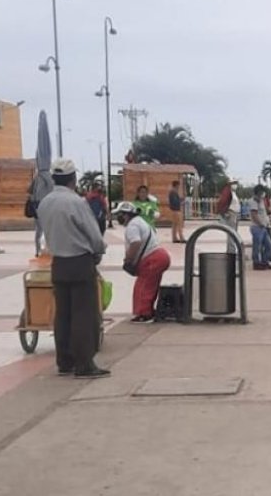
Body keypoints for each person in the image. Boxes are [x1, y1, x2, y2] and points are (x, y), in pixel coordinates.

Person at [36, 159, 109, 378]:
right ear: (73, 179)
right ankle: (84, 363)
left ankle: (64, 361)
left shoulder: (45, 203)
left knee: (63, 314)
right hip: (80, 261)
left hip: (58, 263)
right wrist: (99, 250)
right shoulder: (76, 202)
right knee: (83, 314)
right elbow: (94, 235)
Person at [114, 201, 171, 323]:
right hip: (160, 256)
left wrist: (128, 259)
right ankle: (148, 311)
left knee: (143, 286)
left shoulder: (132, 226)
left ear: (126, 215)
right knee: (150, 285)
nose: (118, 217)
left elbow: (136, 242)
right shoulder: (140, 221)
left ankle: (144, 314)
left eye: (119, 214)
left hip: (152, 259)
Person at [244, 185, 271, 270]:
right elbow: (254, 214)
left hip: (263, 226)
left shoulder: (261, 201)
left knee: (269, 245)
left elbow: (265, 212)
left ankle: (265, 262)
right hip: (257, 227)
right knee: (257, 246)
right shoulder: (254, 201)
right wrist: (260, 223)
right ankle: (256, 263)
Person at [28, 170, 55, 256]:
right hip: (44, 207)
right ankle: (46, 249)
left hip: (36, 207)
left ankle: (38, 250)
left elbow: (30, 193)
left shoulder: (36, 179)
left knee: (39, 230)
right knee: (46, 229)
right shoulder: (48, 178)